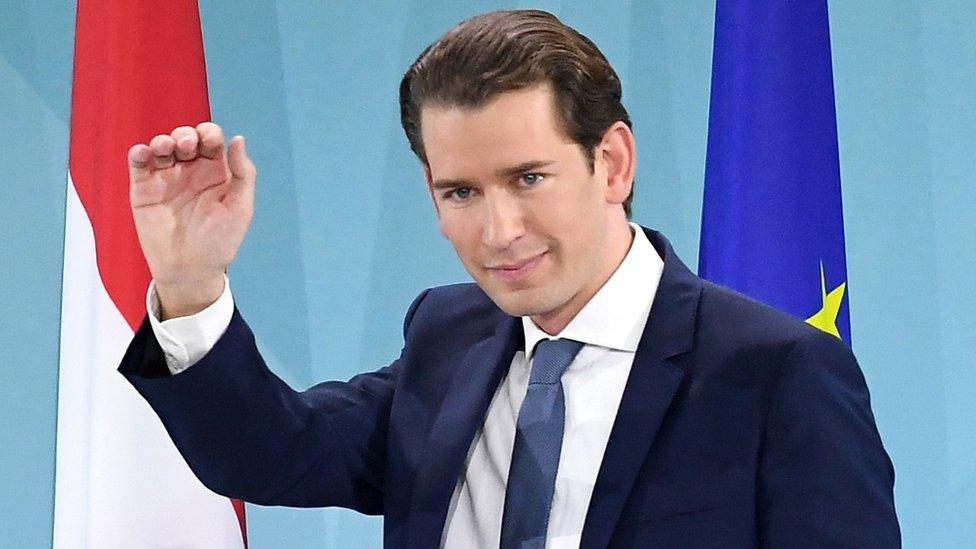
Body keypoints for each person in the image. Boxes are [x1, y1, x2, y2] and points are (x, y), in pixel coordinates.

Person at [119, 9, 900, 548]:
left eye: (528, 178)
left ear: (613, 163)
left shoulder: (775, 372)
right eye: (461, 191)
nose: (497, 232)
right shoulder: (446, 336)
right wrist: (190, 280)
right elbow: (270, 453)